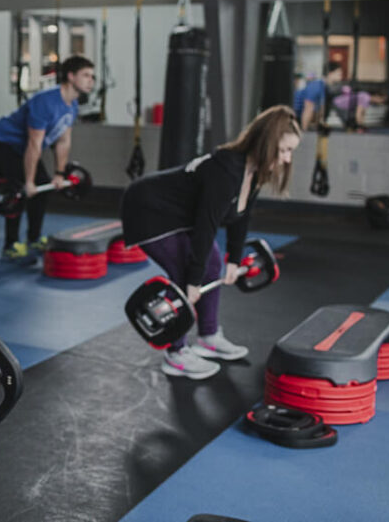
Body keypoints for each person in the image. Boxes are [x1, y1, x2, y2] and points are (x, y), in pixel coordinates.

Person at [120, 105, 302, 380]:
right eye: (284, 150)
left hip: (178, 215)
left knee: (213, 263)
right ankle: (176, 353)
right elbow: (206, 227)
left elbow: (242, 215)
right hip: (148, 209)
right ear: (266, 144)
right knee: (184, 272)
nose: (288, 159)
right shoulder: (227, 170)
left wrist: (233, 259)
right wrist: (193, 281)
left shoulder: (253, 171)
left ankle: (208, 336)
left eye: (291, 152)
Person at [0, 55, 95, 263]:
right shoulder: (46, 102)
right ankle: (11, 244)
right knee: (18, 188)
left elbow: (63, 142)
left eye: (92, 76)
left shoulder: (72, 104)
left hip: (21, 148)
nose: (91, 81)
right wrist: (29, 182)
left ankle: (33, 238)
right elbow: (34, 145)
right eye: (86, 75)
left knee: (43, 188)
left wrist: (60, 174)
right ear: (71, 76)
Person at [294, 61, 342, 130]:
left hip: (298, 116)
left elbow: (319, 112)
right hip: (291, 113)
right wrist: (305, 133)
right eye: (339, 74)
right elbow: (307, 109)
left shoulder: (324, 88)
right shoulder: (317, 86)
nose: (341, 77)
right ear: (330, 74)